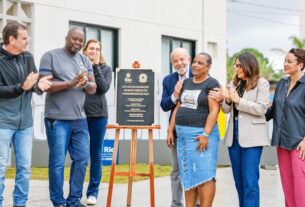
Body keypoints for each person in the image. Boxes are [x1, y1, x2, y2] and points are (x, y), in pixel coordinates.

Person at [39, 28, 96, 207]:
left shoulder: (84, 60)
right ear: (66, 38)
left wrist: (85, 82)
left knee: (81, 159)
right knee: (57, 162)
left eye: (81, 40)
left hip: (79, 119)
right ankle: (58, 201)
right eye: (74, 39)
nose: (77, 43)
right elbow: (45, 85)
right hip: (57, 118)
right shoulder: (50, 56)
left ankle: (73, 200)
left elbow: (93, 87)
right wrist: (71, 83)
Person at [0, 22, 52, 207]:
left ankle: (20, 203)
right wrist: (22, 87)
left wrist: (40, 86)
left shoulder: (28, 57)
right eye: (24, 38)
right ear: (11, 39)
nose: (27, 41)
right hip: (3, 123)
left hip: (25, 123)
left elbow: (34, 81)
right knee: (0, 169)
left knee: (25, 168)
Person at [167, 52, 220, 207]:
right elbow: (178, 106)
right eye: (195, 62)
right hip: (182, 137)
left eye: (200, 63)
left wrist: (205, 134)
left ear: (208, 67)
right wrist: (171, 130)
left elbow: (214, 111)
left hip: (200, 136)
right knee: (188, 175)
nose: (195, 65)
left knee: (205, 175)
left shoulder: (212, 83)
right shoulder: (187, 82)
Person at [220, 52, 270, 207]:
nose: (236, 68)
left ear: (249, 65)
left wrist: (238, 100)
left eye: (239, 65)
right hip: (233, 137)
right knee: (239, 182)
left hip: (252, 137)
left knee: (250, 182)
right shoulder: (233, 84)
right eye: (235, 65)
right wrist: (227, 100)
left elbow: (261, 109)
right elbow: (226, 110)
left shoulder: (262, 83)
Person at [266, 48, 305, 207]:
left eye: (289, 61)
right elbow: (274, 110)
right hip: (282, 141)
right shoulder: (282, 83)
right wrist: (249, 110)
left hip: (299, 144)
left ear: (301, 64)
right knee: (287, 187)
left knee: (301, 188)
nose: (285, 64)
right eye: (285, 60)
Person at [160, 47, 192, 207]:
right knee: (176, 171)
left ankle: (197, 203)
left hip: (196, 133)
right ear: (172, 63)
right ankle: (176, 204)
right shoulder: (168, 80)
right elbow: (164, 105)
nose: (179, 63)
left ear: (189, 59)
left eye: (182, 59)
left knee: (195, 169)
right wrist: (175, 94)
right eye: (175, 61)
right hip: (176, 132)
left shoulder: (201, 75)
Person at [82, 39, 112, 205]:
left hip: (99, 116)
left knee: (96, 155)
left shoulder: (105, 69)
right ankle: (76, 191)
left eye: (97, 49)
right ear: (85, 50)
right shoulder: (78, 66)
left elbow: (103, 88)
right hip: (78, 115)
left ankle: (92, 192)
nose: (94, 51)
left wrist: (94, 66)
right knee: (80, 155)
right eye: (91, 48)